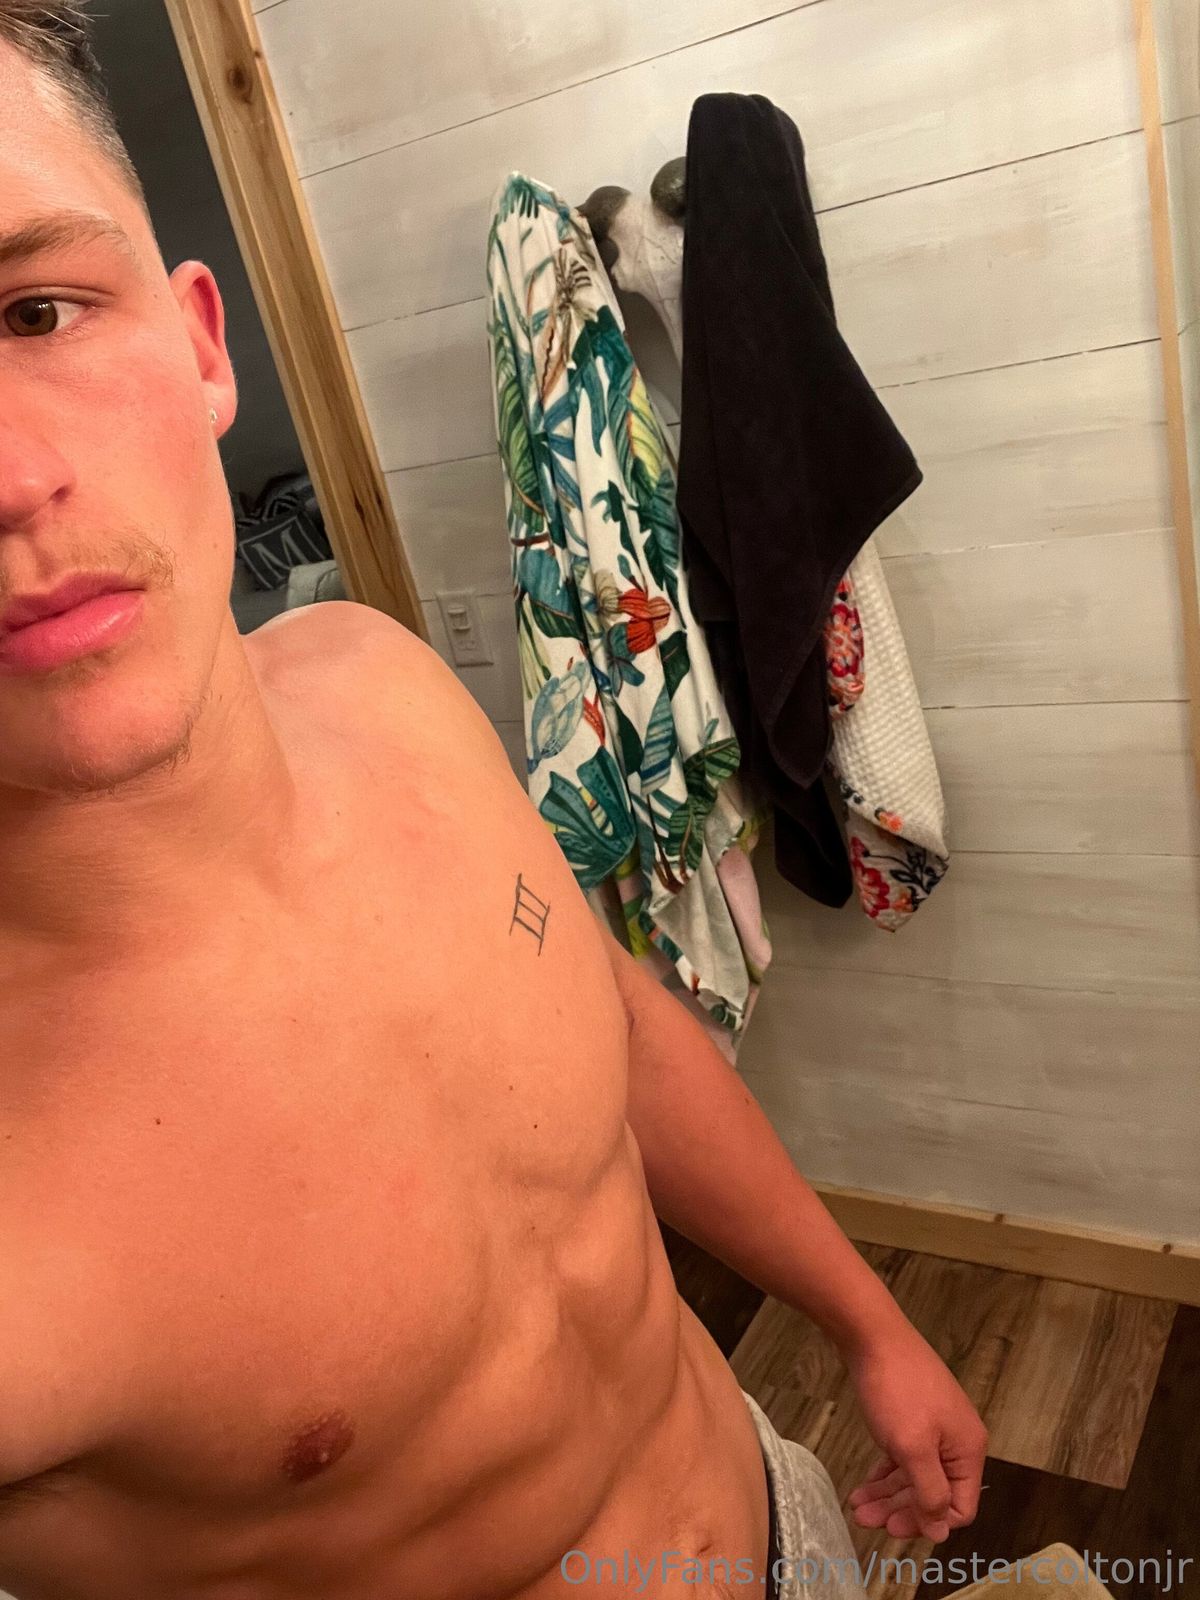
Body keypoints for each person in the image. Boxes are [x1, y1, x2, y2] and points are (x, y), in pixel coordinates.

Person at [0, 5, 987, 1597]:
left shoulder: (376, 677)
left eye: (36, 309)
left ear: (200, 346)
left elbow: (617, 1025)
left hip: (775, 1509)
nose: (9, 477)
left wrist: (869, 1324)